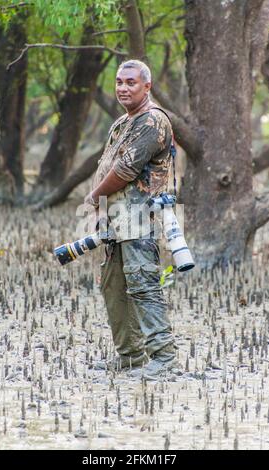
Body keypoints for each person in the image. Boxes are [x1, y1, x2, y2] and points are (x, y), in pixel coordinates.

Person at [85, 59, 178, 379]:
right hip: (115, 218)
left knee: (143, 285)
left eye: (131, 82)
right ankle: (130, 355)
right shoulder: (122, 122)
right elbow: (106, 165)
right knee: (113, 285)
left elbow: (125, 169)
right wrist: (100, 210)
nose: (123, 88)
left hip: (138, 217)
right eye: (119, 82)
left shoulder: (152, 122)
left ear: (147, 87)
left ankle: (164, 356)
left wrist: (94, 197)